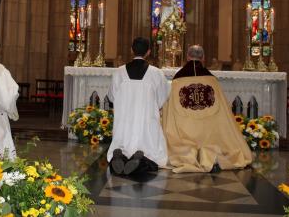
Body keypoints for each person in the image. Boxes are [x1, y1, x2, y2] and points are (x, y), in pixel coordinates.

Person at [162, 45, 252, 173]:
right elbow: (223, 110)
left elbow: (169, 107)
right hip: (210, 132)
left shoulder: (177, 79)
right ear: (203, 58)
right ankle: (211, 154)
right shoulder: (211, 79)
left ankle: (187, 152)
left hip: (185, 129)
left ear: (187, 57)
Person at [107, 37, 170, 176]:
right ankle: (141, 159)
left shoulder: (119, 72)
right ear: (148, 52)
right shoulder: (156, 73)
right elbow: (162, 97)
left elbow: (111, 97)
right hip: (146, 122)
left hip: (124, 124)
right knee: (153, 154)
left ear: (131, 50)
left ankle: (120, 155)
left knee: (121, 143)